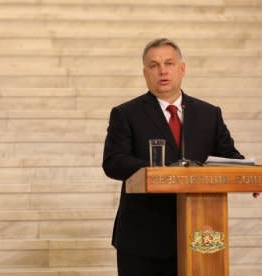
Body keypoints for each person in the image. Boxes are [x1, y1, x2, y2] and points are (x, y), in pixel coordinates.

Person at [102, 38, 244, 276]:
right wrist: (160, 172)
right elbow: (114, 162)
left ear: (182, 68)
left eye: (169, 63)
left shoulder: (209, 113)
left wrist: (245, 176)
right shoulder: (126, 114)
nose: (162, 71)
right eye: (154, 65)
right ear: (145, 72)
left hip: (198, 235)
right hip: (142, 238)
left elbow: (229, 156)